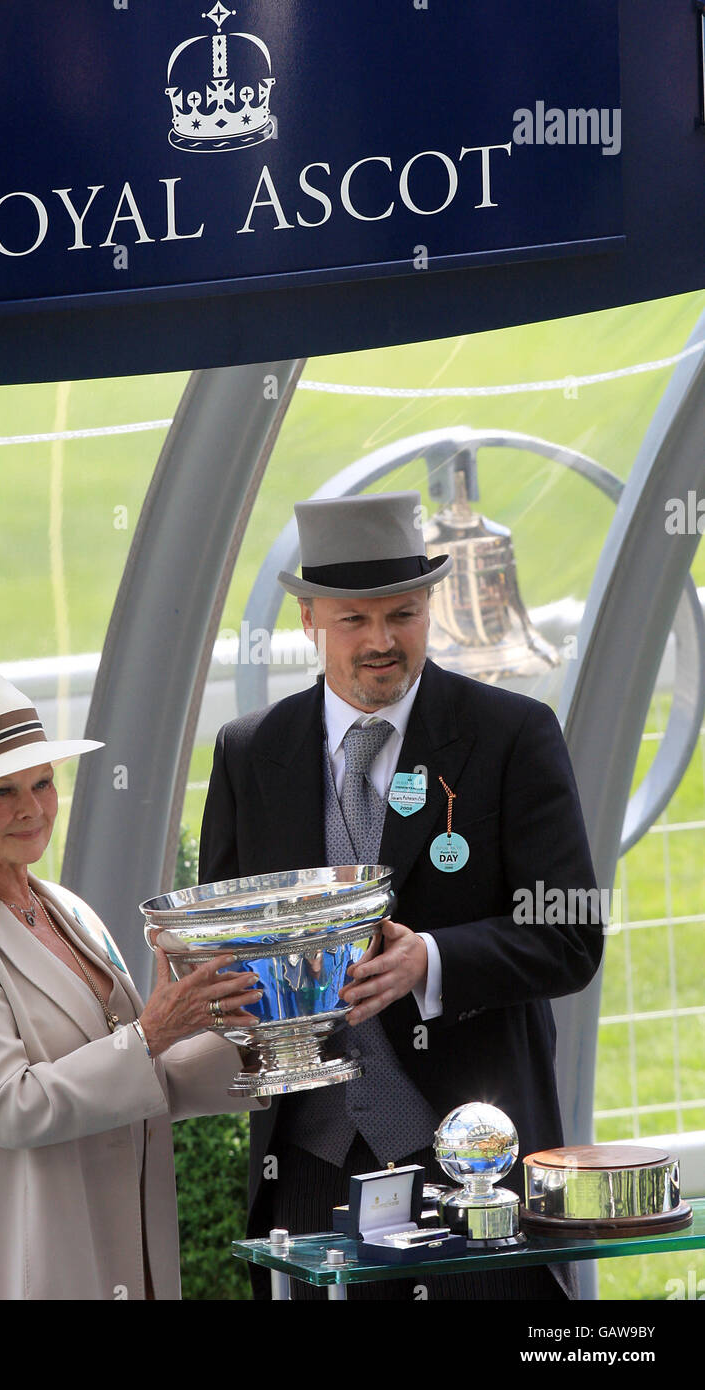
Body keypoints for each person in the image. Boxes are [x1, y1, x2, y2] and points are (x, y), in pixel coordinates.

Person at [199, 491, 604, 1300]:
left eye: (404, 615)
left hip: (471, 1161)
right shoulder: (251, 753)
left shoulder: (512, 736)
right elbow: (226, 938)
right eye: (355, 621)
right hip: (306, 1168)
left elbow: (570, 936)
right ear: (311, 619)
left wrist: (432, 961)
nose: (382, 642)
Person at [0, 672, 265, 1300]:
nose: (31, 807)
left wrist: (257, 1039)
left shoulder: (65, 907)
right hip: (9, 1272)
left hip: (119, 1252)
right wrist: (151, 1032)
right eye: (0, 792)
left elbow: (140, 1080)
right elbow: (8, 1106)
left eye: (42, 782)